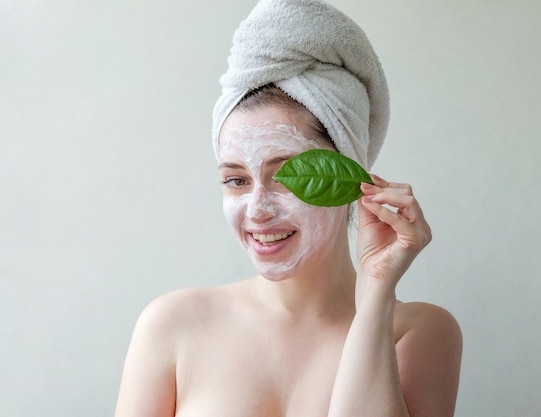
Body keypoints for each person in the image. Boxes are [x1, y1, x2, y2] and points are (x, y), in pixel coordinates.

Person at [114, 1, 462, 416]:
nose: (257, 209)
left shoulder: (417, 332)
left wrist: (375, 293)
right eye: (236, 180)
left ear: (343, 179)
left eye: (284, 178)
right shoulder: (172, 325)